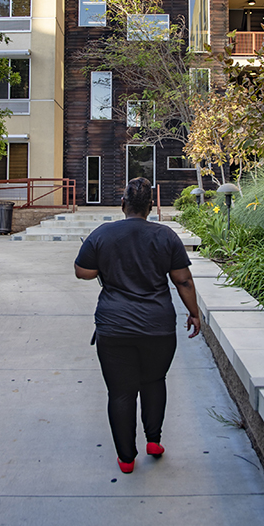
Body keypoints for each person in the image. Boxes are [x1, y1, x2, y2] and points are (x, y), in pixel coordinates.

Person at [74, 177, 201, 474]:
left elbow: (83, 271)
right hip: (158, 327)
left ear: (123, 205)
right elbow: (183, 279)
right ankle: (154, 441)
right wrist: (194, 313)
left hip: (114, 327)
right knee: (155, 381)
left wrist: (103, 267)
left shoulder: (102, 234)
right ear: (149, 208)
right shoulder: (166, 236)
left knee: (120, 392)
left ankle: (126, 458)